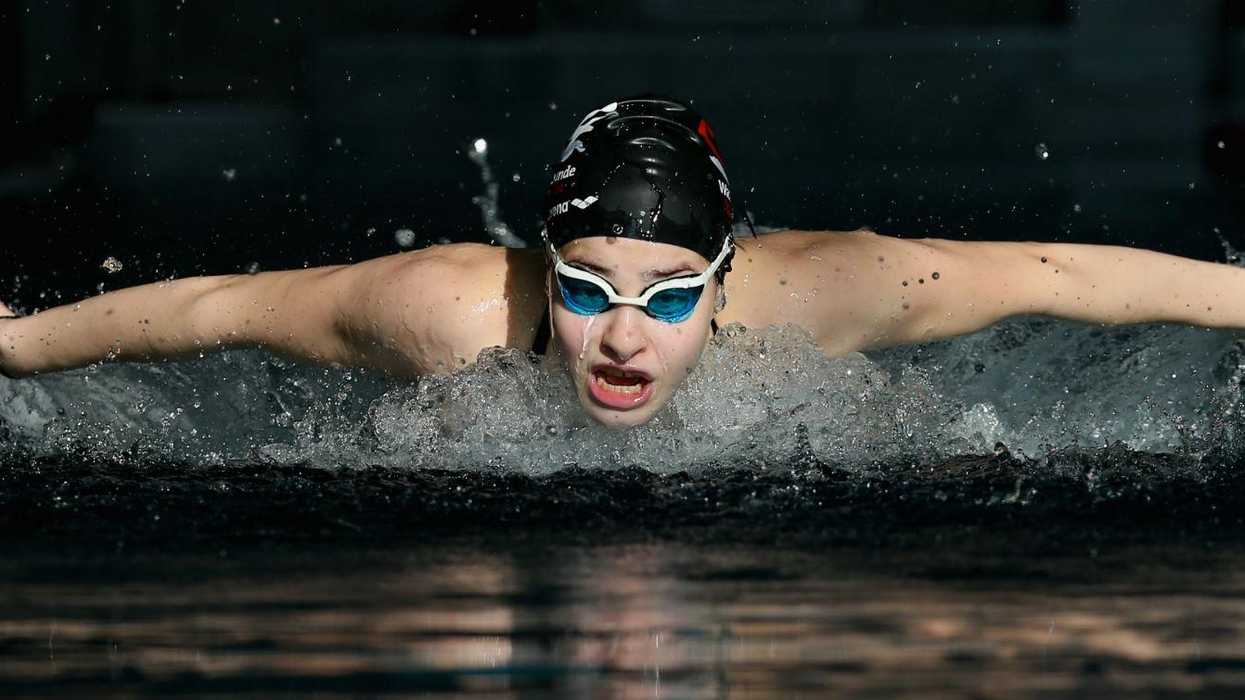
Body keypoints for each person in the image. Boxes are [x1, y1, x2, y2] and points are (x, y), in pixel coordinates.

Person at [2, 95, 1244, 429]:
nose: (621, 336)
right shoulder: (449, 309)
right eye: (587, 288)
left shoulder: (825, 292)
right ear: (546, 270)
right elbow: (218, 306)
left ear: (725, 278)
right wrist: (15, 343)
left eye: (666, 296)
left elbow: (1057, 274)